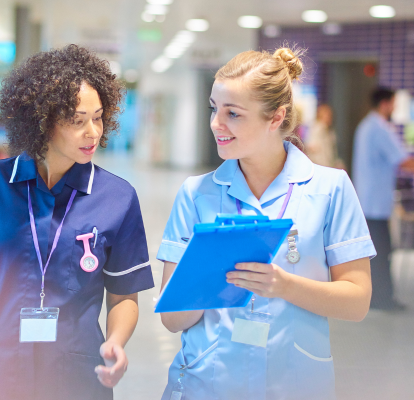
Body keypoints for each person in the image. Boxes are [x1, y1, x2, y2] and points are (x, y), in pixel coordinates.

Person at [0, 45, 154, 400]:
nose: (93, 132)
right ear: (42, 121)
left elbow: (124, 294)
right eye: (77, 121)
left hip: (77, 379)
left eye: (99, 117)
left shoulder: (117, 198)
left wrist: (116, 343)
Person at [157, 48, 375, 400]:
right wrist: (206, 271)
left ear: (276, 117)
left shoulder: (330, 189)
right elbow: (172, 319)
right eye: (214, 108)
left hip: (295, 383)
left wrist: (285, 286)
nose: (216, 123)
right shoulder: (196, 194)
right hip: (208, 383)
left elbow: (356, 301)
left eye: (233, 114)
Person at [352, 87, 414, 311]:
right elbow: (403, 160)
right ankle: (382, 299)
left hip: (368, 201)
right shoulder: (379, 127)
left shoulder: (366, 125)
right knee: (381, 254)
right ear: (386, 103)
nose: (395, 107)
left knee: (377, 253)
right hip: (375, 204)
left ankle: (377, 297)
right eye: (394, 103)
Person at [306, 104, 344, 168]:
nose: (329, 117)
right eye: (327, 115)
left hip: (329, 167)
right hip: (320, 167)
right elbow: (312, 150)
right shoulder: (316, 130)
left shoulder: (330, 132)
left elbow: (333, 154)